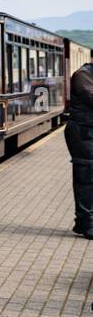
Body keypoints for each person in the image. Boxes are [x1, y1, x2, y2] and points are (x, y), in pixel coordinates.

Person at [68, 60, 93, 239]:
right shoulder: (83, 75)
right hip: (83, 131)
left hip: (88, 130)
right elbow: (90, 97)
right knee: (86, 176)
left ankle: (83, 221)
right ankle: (87, 223)